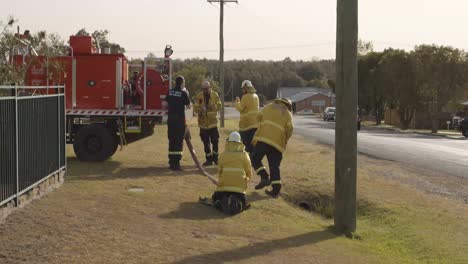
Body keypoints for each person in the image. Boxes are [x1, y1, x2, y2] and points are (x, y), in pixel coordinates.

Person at [200, 132, 252, 215]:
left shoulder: (223, 155)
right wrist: (246, 179)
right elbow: (249, 172)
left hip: (224, 187)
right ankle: (235, 202)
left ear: (228, 141)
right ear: (240, 142)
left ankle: (221, 202)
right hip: (239, 189)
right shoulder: (245, 155)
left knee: (216, 197)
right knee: (243, 201)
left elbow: (219, 171)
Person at [251, 98, 294, 197]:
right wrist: (285, 138)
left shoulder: (269, 106)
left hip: (264, 139)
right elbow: (290, 128)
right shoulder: (287, 113)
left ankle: (264, 176)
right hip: (277, 144)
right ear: (288, 105)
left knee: (255, 159)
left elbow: (258, 117)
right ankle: (275, 190)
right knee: (274, 166)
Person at [193, 80, 222, 166]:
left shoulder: (215, 95)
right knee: (206, 143)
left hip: (213, 123)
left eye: (207, 88)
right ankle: (209, 160)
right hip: (203, 124)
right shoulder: (199, 96)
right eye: (204, 89)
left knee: (215, 142)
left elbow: (219, 105)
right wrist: (200, 110)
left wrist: (214, 106)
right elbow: (195, 107)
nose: (205, 90)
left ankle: (216, 159)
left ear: (210, 87)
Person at [166, 76, 191, 170]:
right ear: (182, 83)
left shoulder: (170, 92)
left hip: (171, 119)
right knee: (178, 141)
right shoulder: (183, 93)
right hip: (179, 120)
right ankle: (176, 164)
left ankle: (171, 162)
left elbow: (166, 102)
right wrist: (187, 95)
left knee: (171, 140)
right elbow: (188, 106)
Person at [235, 80, 259, 157]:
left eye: (243, 88)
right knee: (252, 145)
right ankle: (252, 160)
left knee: (244, 145)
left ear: (246, 88)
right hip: (255, 125)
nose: (242, 90)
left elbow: (241, 108)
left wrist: (237, 102)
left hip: (246, 126)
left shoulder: (246, 97)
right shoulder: (256, 96)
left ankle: (245, 160)